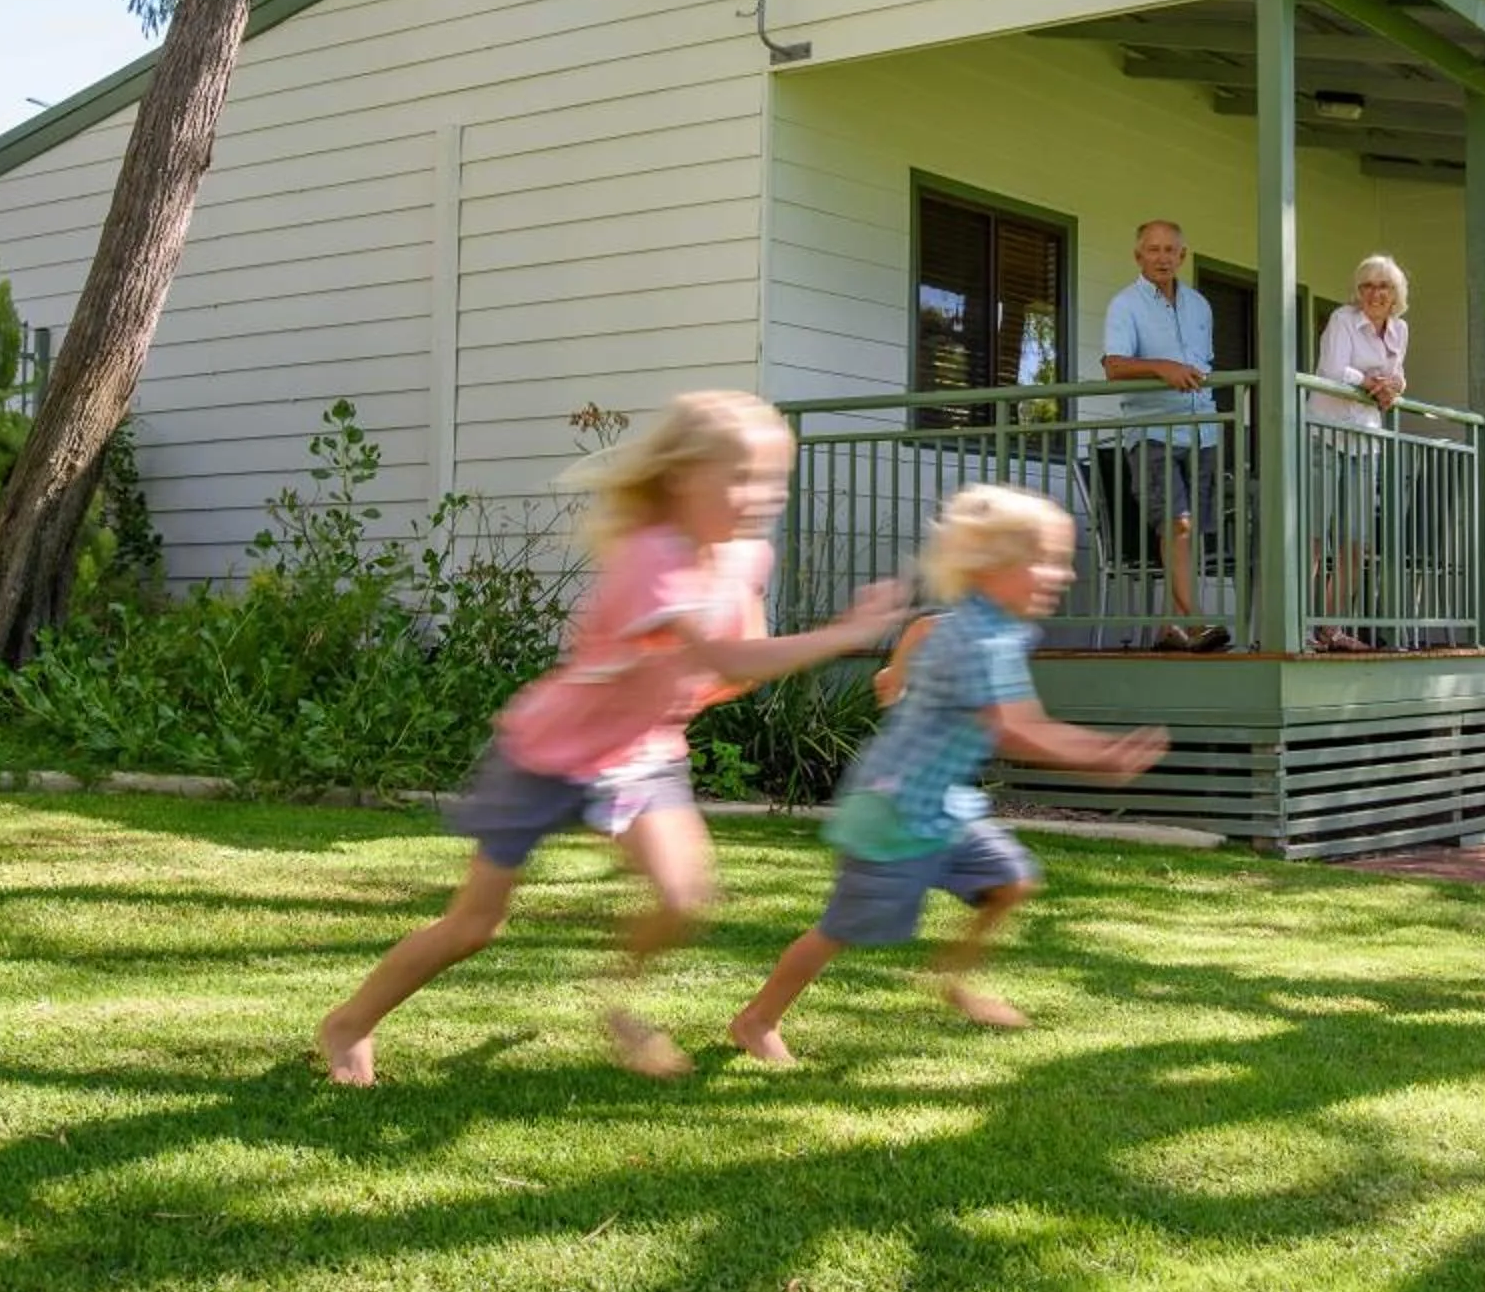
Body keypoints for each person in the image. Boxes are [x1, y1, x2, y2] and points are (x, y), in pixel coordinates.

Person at [318, 391, 903, 1085]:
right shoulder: (650, 558)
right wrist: (842, 636)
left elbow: (727, 656)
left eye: (775, 480)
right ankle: (347, 1023)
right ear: (683, 476)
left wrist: (705, 680)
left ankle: (619, 1002)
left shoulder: (742, 557)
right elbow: (728, 657)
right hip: (548, 755)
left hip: (641, 755)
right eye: (742, 477)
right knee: (475, 926)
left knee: (683, 895)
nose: (762, 497)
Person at [728, 485, 1166, 1064]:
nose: (1061, 575)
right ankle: (757, 1021)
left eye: (1063, 561)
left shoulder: (993, 628)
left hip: (943, 805)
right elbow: (1013, 728)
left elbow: (926, 631)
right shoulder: (978, 638)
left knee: (1011, 882)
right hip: (895, 809)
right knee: (843, 927)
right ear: (990, 569)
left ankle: (955, 979)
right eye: (1046, 561)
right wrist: (1098, 755)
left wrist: (899, 675)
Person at [1100, 218, 1230, 651]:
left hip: (1203, 432)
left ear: (1182, 256)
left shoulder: (1200, 306)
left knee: (1189, 532)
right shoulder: (1125, 305)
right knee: (1177, 523)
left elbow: (1203, 365)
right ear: (1138, 256)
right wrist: (1161, 367)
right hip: (1153, 431)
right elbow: (1114, 366)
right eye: (1152, 250)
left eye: (1170, 250)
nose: (1162, 257)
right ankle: (1192, 622)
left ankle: (1168, 628)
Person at [1305, 255, 1411, 652]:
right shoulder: (1342, 319)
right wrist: (1370, 382)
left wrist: (1392, 387)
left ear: (1396, 293)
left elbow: (1396, 375)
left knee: (1355, 543)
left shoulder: (1399, 330)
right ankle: (1297, 628)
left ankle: (1332, 630)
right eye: (1366, 285)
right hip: (1326, 436)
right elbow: (1333, 372)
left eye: (1383, 286)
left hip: (1366, 441)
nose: (1374, 293)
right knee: (1314, 539)